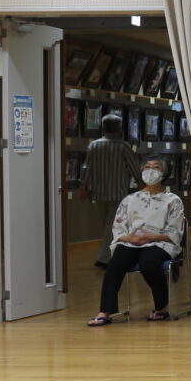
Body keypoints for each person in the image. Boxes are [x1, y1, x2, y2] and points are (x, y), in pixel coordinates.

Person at [86, 153, 185, 326]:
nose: (150, 170)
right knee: (115, 264)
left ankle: (162, 307)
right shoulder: (130, 199)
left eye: (156, 167)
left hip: (160, 242)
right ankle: (105, 311)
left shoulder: (173, 200)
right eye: (147, 167)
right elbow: (119, 227)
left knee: (149, 263)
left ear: (165, 173)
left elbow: (175, 231)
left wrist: (152, 237)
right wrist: (129, 237)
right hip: (131, 241)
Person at [79, 112, 141, 269]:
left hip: (98, 193)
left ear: (103, 128)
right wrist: (141, 182)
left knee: (107, 226)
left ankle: (110, 256)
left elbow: (86, 168)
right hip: (118, 193)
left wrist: (83, 187)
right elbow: (134, 168)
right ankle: (104, 259)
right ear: (119, 129)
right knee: (111, 227)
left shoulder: (94, 145)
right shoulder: (123, 147)